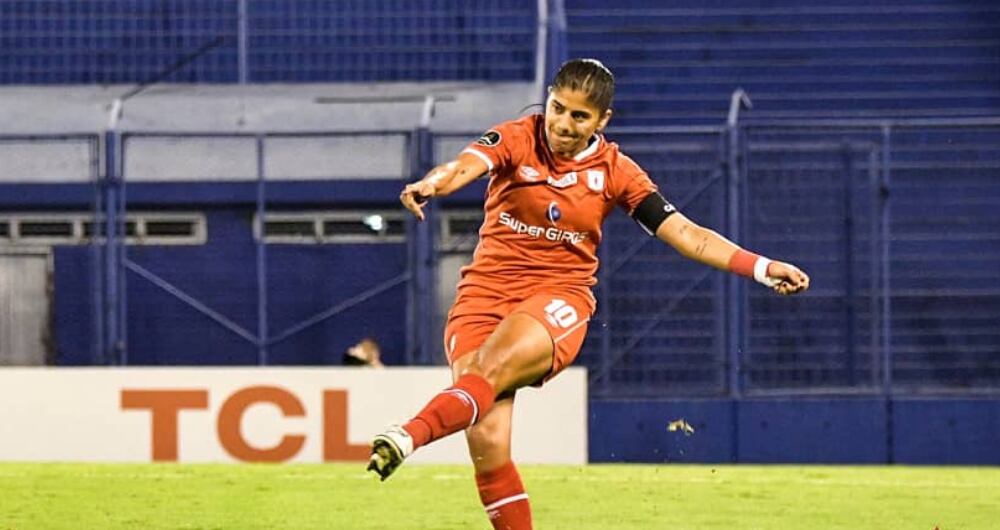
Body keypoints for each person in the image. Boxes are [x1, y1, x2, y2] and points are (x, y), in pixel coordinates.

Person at [367, 58, 810, 529]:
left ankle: (407, 436)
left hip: (558, 299)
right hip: (482, 296)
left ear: (603, 121)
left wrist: (762, 267)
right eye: (558, 108)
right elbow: (464, 166)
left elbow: (688, 234)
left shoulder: (617, 172)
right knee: (489, 445)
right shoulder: (518, 137)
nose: (563, 124)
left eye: (580, 116)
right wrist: (431, 184)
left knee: (490, 366)